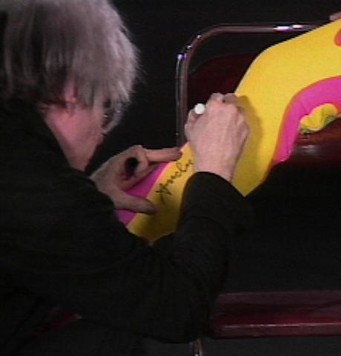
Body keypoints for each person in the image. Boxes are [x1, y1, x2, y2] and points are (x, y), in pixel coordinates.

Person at [0, 0, 250, 355]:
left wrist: (88, 192)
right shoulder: (36, 192)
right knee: (107, 338)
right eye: (104, 107)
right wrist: (214, 171)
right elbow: (178, 309)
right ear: (71, 88)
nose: (102, 135)